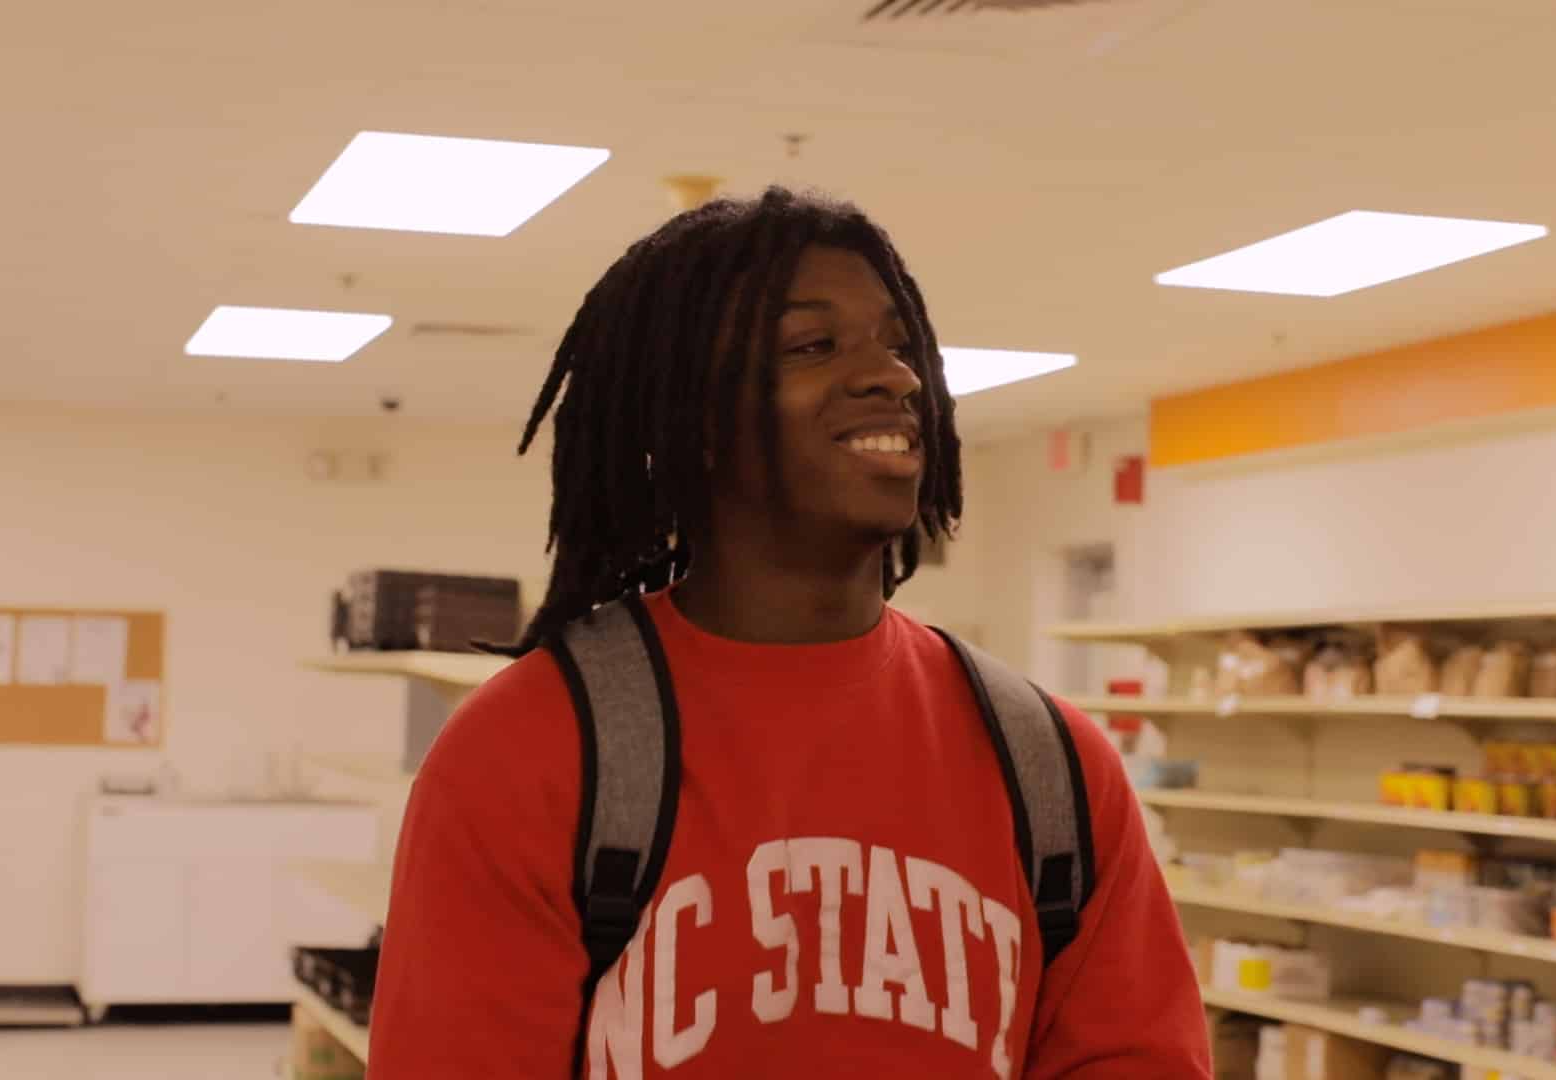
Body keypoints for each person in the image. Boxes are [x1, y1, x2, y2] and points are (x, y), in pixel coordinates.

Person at [367, 187, 1211, 1079]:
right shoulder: (532, 752)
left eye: (899, 343)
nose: (896, 376)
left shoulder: (1050, 763)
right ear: (688, 420)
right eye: (813, 345)